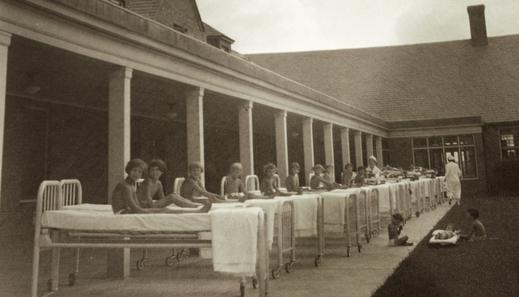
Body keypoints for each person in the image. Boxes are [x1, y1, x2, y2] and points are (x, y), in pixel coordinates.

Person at [111, 159, 211, 214]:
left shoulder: (131, 184)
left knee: (172, 198)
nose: (137, 174)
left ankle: (196, 209)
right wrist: (155, 211)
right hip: (123, 212)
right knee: (167, 207)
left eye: (140, 172)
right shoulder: (126, 186)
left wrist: (160, 207)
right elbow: (137, 207)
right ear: (128, 170)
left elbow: (135, 205)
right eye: (134, 171)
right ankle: (196, 210)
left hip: (131, 209)